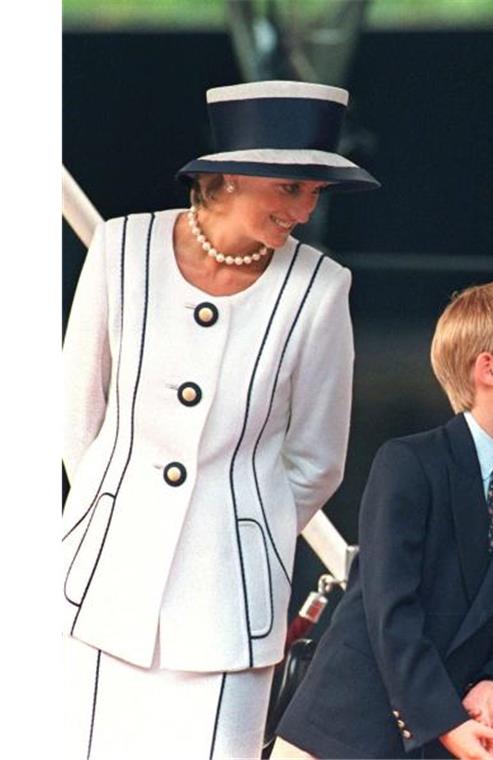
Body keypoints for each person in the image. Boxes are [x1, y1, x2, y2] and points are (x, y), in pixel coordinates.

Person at [61, 80, 379, 758]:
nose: (302, 210)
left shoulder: (321, 288)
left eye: (314, 192)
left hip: (229, 606)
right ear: (231, 173)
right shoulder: (121, 249)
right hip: (100, 585)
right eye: (290, 188)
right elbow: (77, 417)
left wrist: (244, 527)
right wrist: (111, 506)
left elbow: (318, 458)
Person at [272, 279, 493, 760]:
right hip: (351, 729)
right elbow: (392, 611)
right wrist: (442, 721)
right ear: (487, 369)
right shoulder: (408, 464)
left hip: (464, 733)